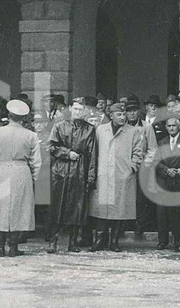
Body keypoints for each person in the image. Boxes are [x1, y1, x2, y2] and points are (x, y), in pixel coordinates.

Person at [0, 99, 42, 257]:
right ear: (23, 117)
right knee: (19, 208)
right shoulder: (31, 135)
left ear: (8, 115)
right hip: (21, 172)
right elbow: (36, 162)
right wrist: (32, 179)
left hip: (0, 170)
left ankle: (0, 246)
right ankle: (14, 247)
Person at [89, 101, 145, 252]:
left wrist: (131, 169)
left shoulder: (133, 131)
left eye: (124, 113)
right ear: (111, 115)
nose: (122, 117)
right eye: (118, 114)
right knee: (102, 207)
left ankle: (114, 240)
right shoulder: (100, 130)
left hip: (122, 176)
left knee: (118, 209)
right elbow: (94, 151)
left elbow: (138, 153)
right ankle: (100, 239)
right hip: (104, 175)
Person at [46, 96, 98, 253]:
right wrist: (67, 153)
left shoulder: (90, 129)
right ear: (70, 109)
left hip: (80, 171)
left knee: (78, 207)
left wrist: (90, 176)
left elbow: (93, 154)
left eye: (81, 110)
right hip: (61, 170)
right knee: (57, 206)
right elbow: (51, 146)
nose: (77, 112)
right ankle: (53, 241)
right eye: (75, 108)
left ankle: (73, 241)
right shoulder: (60, 126)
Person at [154, 117, 180, 251]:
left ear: (179, 126)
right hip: (164, 181)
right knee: (162, 213)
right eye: (169, 126)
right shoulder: (162, 142)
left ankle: (178, 242)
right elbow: (156, 161)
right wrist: (166, 170)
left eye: (174, 126)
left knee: (179, 213)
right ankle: (162, 241)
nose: (171, 128)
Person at [124, 97, 158, 238]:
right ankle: (125, 223)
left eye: (134, 110)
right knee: (125, 195)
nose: (132, 114)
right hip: (125, 166)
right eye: (129, 111)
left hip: (142, 167)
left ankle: (140, 224)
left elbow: (153, 149)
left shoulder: (146, 127)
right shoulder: (122, 127)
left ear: (139, 111)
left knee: (140, 197)